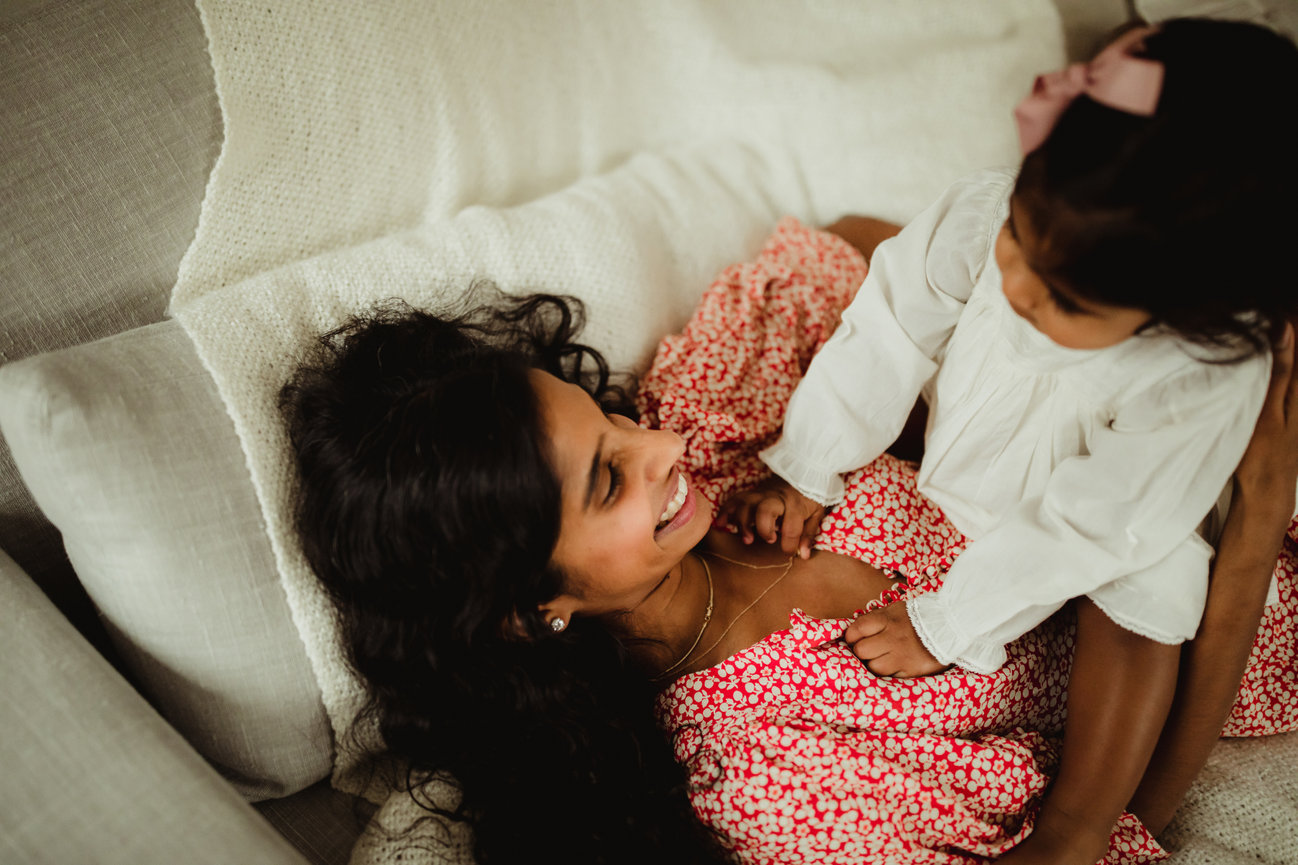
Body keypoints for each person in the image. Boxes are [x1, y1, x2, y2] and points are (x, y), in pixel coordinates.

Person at [282, 214, 1297, 862]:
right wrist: (1252, 520)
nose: (662, 444)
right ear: (529, 608)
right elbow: (1105, 828)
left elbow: (863, 251)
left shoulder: (721, 430)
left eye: (611, 422)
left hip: (1152, 403)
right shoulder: (765, 773)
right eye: (607, 480)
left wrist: (992, 377)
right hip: (1234, 606)